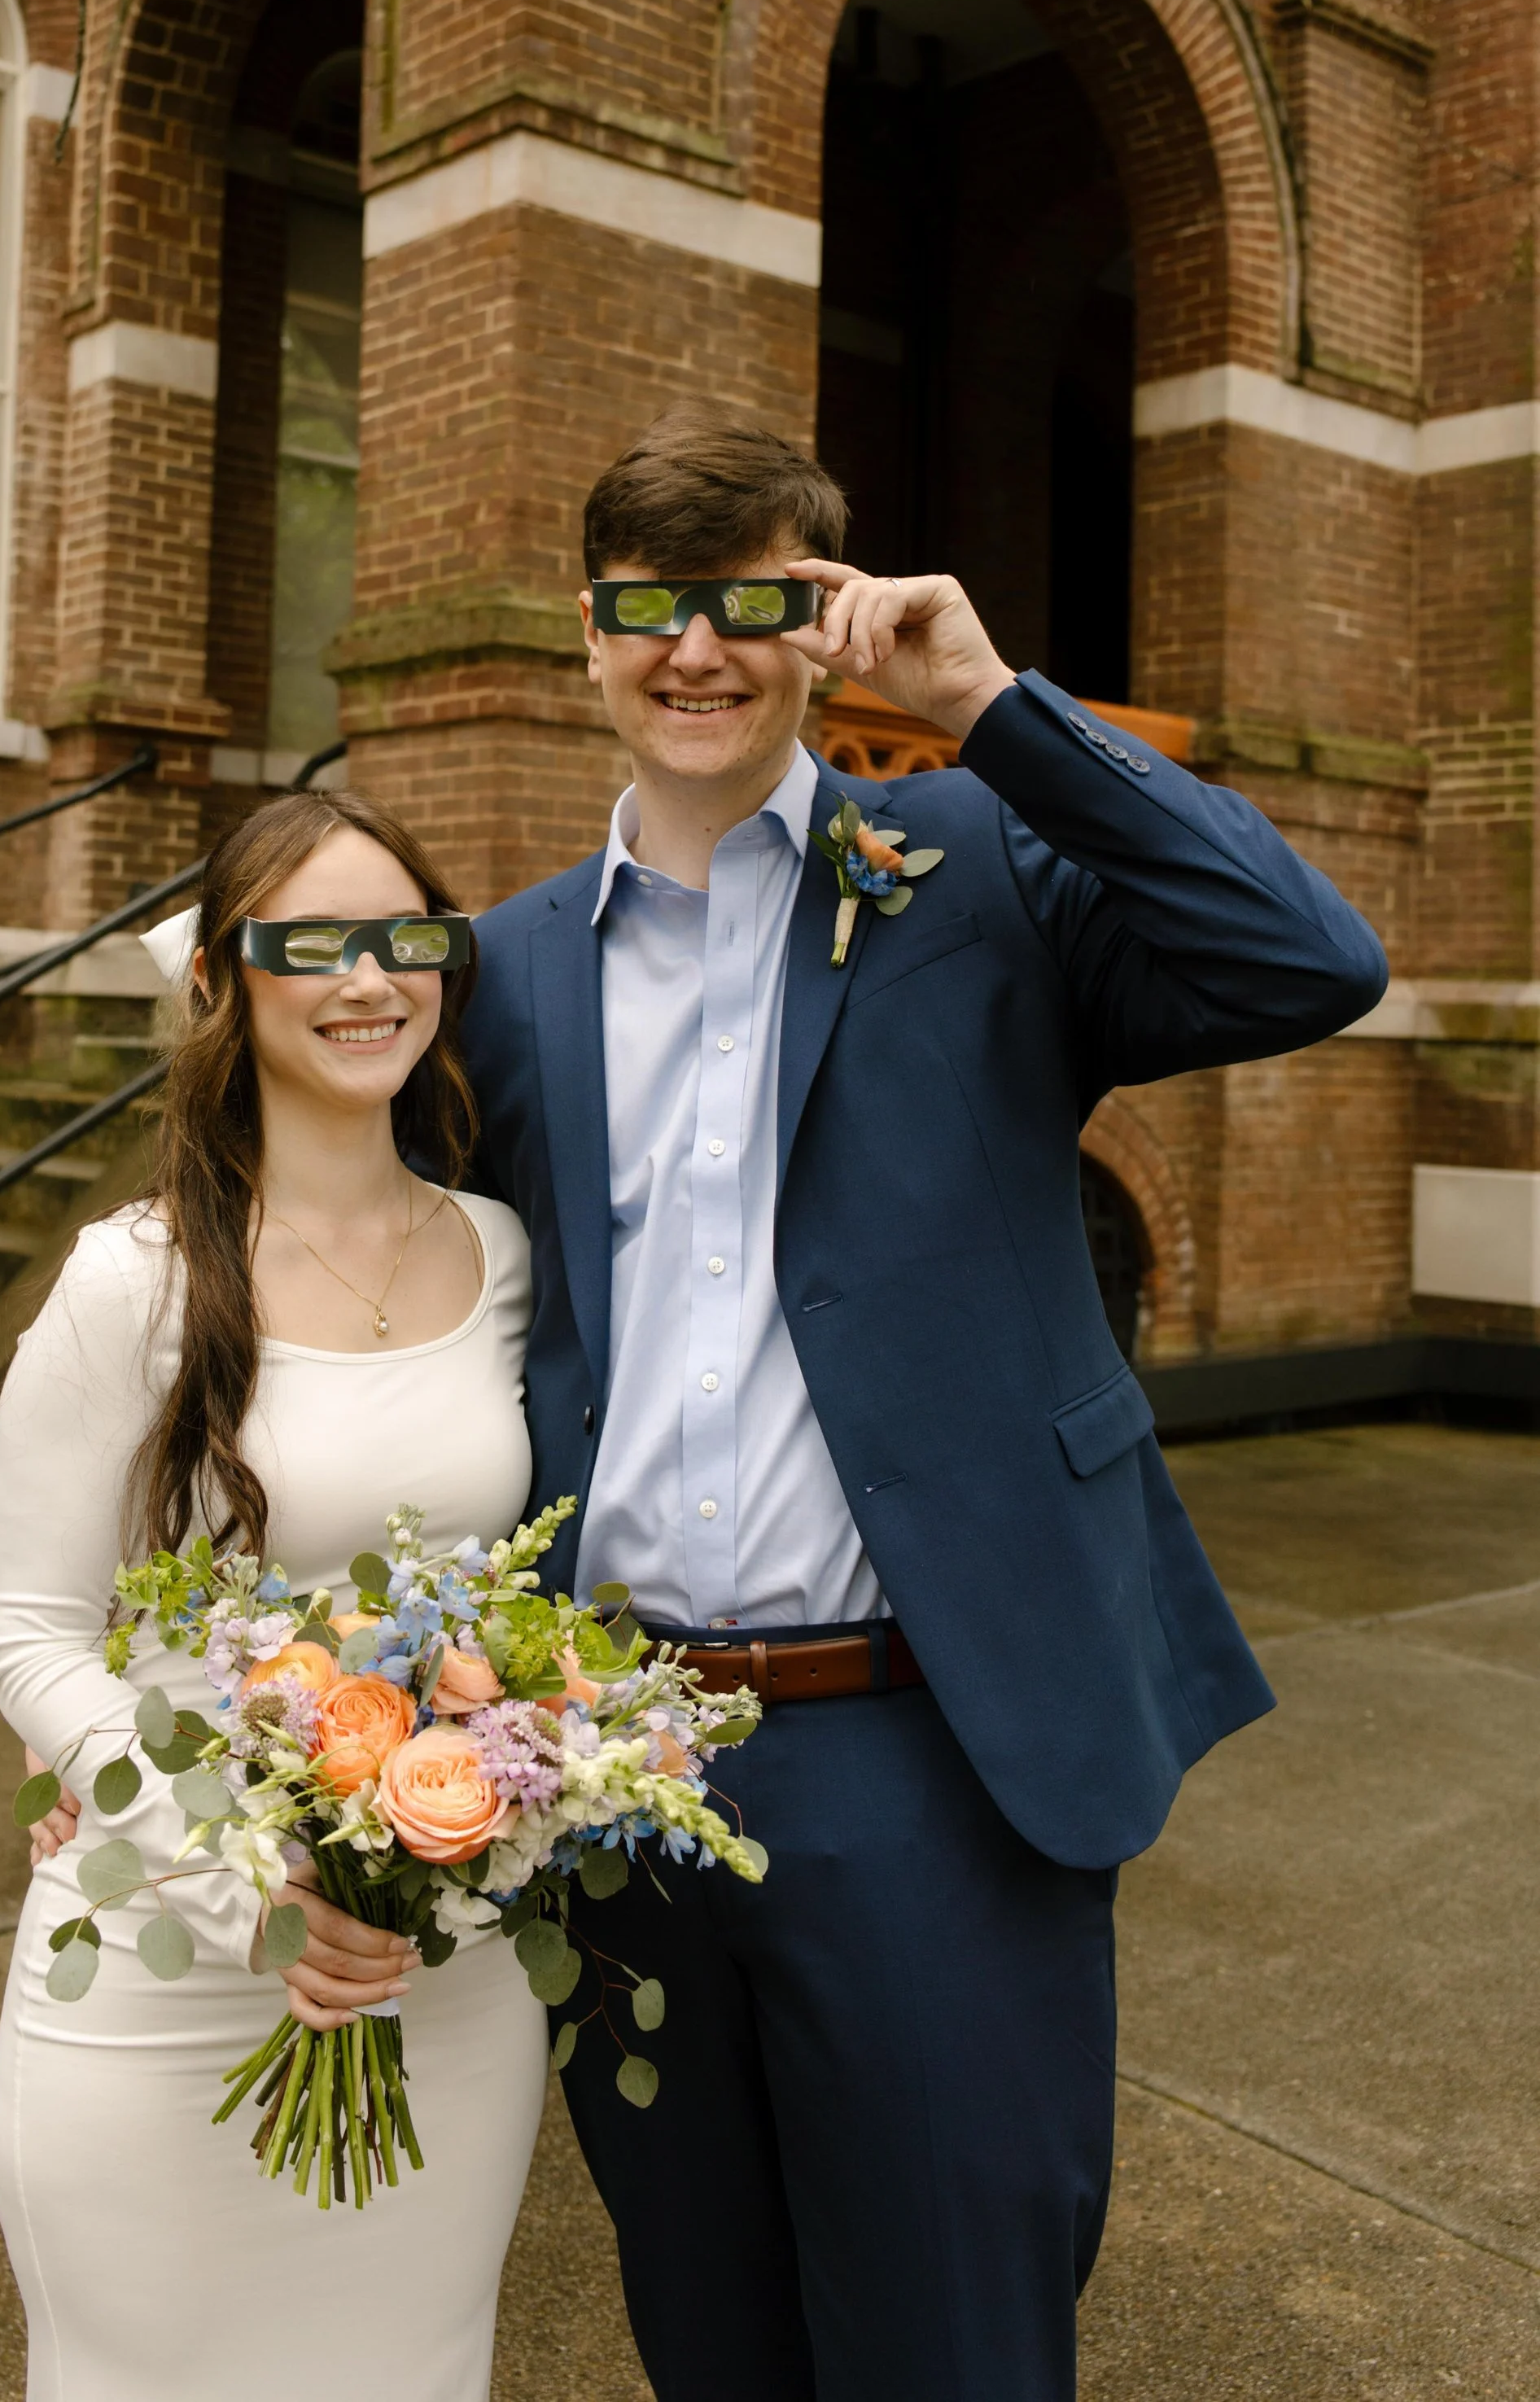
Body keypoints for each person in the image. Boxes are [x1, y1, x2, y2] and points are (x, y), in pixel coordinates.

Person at [457, 408, 1388, 2401]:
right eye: (647, 611)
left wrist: (986, 707)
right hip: (614, 1767)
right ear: (585, 642)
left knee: (954, 2343)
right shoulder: (506, 971)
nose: (692, 652)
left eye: (751, 604)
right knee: (705, 2323)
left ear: (829, 625)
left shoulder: (973, 861)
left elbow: (1306, 959)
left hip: (925, 1745)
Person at [0, 789, 544, 2402]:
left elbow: (533, 1597)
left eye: (405, 939)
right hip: (165, 1962)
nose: (367, 980)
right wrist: (243, 1881)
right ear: (223, 982)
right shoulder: (132, 1278)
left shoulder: (503, 1257)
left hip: (444, 1970)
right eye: (310, 942)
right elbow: (33, 1631)